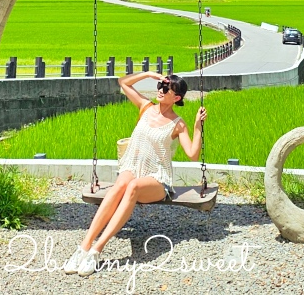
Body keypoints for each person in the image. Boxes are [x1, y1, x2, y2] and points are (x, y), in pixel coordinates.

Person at [63, 71, 206, 277]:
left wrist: (197, 126)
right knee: (120, 185)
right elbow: (123, 83)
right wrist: (149, 74)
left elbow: (193, 155)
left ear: (177, 98)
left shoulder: (178, 124)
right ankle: (83, 248)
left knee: (132, 187)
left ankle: (96, 250)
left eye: (166, 89)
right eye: (160, 86)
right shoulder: (145, 107)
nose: (161, 90)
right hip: (132, 168)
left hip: (157, 179)